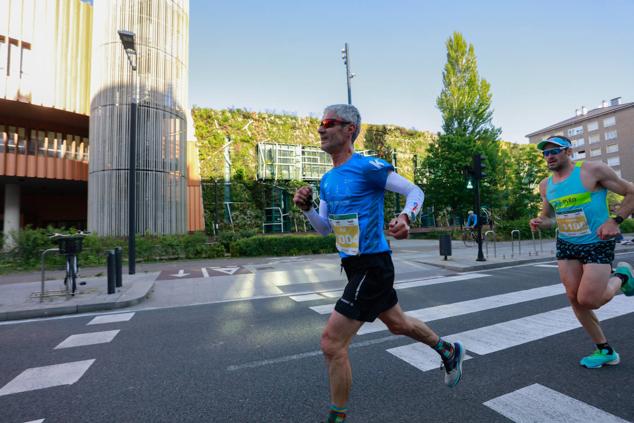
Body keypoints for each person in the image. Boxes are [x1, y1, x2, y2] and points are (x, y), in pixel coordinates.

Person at [294, 104, 464, 423]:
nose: (320, 128)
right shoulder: (328, 179)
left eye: (329, 123)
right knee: (399, 325)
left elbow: (414, 190)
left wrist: (405, 216)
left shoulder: (368, 167)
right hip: (355, 269)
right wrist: (307, 209)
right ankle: (448, 351)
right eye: (320, 123)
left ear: (349, 130)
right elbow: (325, 229)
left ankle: (337, 416)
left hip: (373, 267)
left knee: (331, 343)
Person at [530, 135, 634, 369]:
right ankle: (604, 349)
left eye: (555, 151)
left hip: (597, 241)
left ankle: (623, 276)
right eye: (546, 153)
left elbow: (631, 192)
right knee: (574, 298)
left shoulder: (592, 170)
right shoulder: (546, 185)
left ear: (569, 152)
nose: (550, 156)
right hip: (567, 244)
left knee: (589, 300)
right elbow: (549, 217)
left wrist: (615, 221)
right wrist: (540, 222)